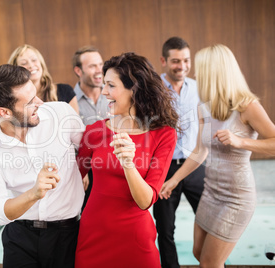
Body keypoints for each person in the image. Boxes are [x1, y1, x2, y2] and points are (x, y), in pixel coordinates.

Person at [159, 44, 275, 267]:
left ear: (215, 72)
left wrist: (240, 141)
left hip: (236, 197)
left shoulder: (248, 106)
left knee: (210, 263)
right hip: (211, 192)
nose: (196, 74)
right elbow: (200, 151)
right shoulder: (205, 107)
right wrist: (173, 180)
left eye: (201, 70)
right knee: (199, 252)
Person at [0, 64, 85, 268]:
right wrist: (34, 193)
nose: (40, 103)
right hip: (20, 238)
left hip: (69, 236)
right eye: (30, 102)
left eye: (35, 94)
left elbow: (92, 152)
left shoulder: (61, 114)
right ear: (5, 112)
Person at [75, 52, 179, 267]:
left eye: (110, 85)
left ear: (134, 89)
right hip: (92, 236)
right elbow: (71, 180)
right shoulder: (94, 132)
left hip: (135, 239)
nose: (103, 92)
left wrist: (128, 163)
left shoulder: (164, 134)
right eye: (104, 85)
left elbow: (145, 200)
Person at [152, 37, 205, 268]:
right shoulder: (153, 91)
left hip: (195, 165)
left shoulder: (200, 89)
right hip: (164, 168)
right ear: (164, 61)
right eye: (175, 61)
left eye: (185, 60)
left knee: (209, 222)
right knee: (165, 230)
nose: (181, 66)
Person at [72, 46, 110, 209]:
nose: (99, 70)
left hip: (112, 169)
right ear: (78, 71)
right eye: (92, 66)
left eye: (100, 65)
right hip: (85, 173)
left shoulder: (113, 95)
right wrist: (81, 172)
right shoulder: (69, 101)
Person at [8, 44, 79, 113]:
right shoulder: (11, 99)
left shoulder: (65, 91)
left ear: (41, 63)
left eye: (34, 60)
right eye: (24, 63)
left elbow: (75, 123)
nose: (31, 65)